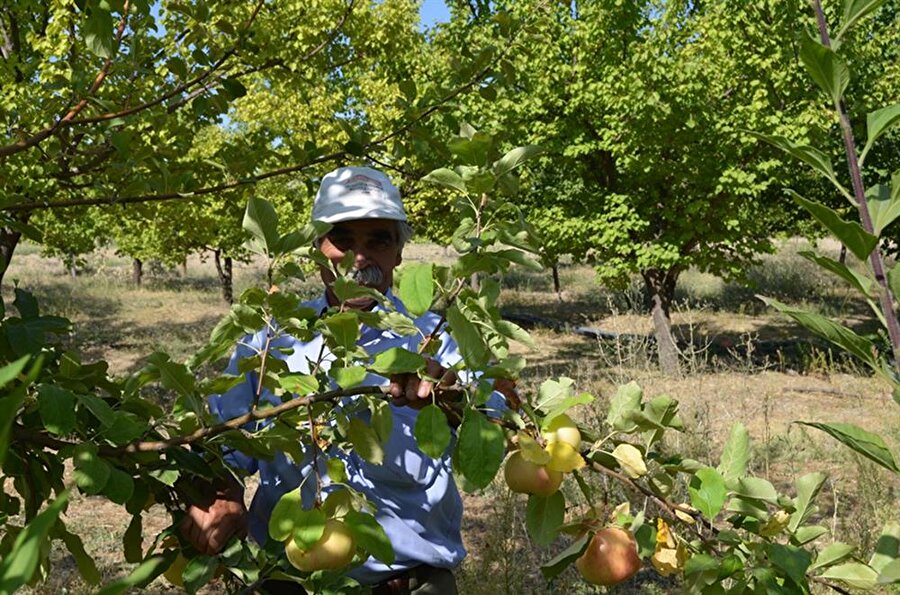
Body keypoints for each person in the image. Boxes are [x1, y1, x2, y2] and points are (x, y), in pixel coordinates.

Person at [181, 166, 501, 594]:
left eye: (378, 240)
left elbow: (498, 421)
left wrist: (453, 397)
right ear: (318, 248)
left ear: (399, 251)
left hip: (409, 583)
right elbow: (224, 444)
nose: (359, 257)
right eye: (343, 240)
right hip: (289, 581)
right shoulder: (272, 341)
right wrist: (221, 491)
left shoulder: (436, 338)